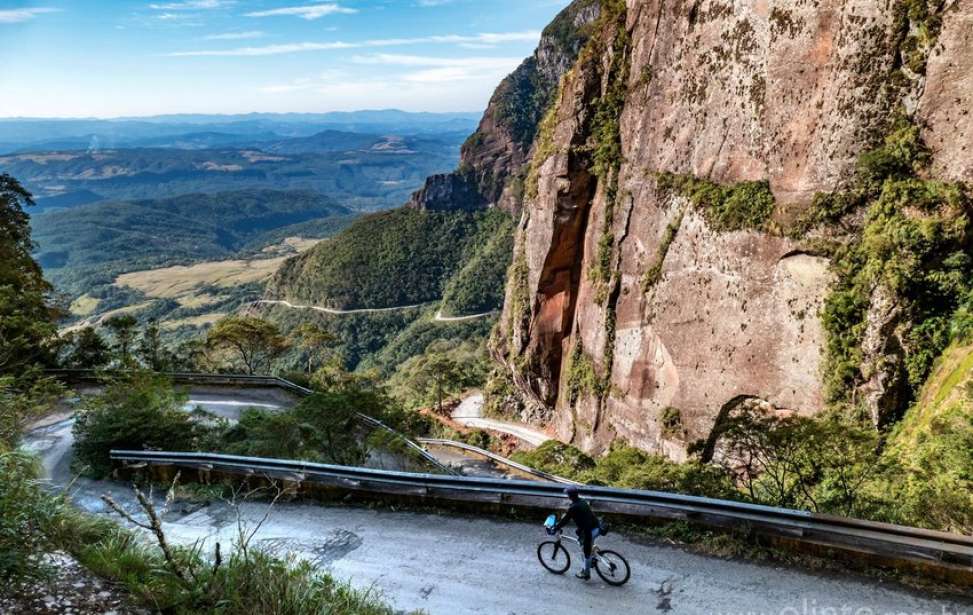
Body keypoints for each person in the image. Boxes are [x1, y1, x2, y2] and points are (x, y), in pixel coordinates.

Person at [553, 485, 602, 580]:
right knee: (584, 544)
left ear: (569, 496)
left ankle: (586, 574)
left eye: (567, 494)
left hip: (590, 531)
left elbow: (566, 519)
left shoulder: (573, 507)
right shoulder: (582, 501)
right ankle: (593, 553)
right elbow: (571, 515)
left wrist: (556, 527)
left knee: (586, 553)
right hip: (596, 526)